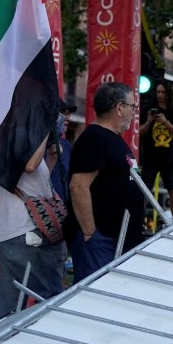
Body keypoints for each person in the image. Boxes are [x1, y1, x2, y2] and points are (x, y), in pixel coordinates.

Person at [68, 81, 145, 281]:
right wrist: (90, 233)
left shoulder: (114, 139)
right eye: (132, 107)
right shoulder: (95, 138)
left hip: (118, 240)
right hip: (102, 240)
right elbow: (78, 186)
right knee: (95, 299)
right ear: (119, 108)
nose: (134, 113)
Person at [0, 137, 66, 321]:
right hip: (25, 235)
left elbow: (36, 185)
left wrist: (51, 159)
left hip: (10, 236)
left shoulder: (12, 145)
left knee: (7, 312)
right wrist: (46, 130)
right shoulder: (21, 140)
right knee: (52, 301)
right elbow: (30, 166)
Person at [138, 81, 173, 219]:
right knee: (146, 189)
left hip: (169, 157)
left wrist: (165, 122)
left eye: (163, 92)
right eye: (158, 92)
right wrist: (148, 121)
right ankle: (138, 218)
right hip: (150, 156)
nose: (160, 95)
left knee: (172, 188)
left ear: (168, 93)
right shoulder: (149, 109)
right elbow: (138, 133)